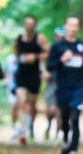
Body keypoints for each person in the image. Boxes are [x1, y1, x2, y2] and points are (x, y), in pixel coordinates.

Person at [45, 16, 83, 154]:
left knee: (75, 117)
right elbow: (50, 67)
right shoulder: (57, 46)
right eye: (70, 25)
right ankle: (66, 142)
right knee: (64, 119)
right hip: (63, 87)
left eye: (76, 25)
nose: (73, 28)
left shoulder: (82, 45)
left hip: (79, 86)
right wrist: (62, 60)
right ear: (65, 27)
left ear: (78, 28)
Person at [13, 16, 48, 145]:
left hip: (34, 75)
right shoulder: (18, 39)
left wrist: (35, 57)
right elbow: (15, 54)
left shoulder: (40, 38)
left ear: (35, 25)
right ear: (24, 25)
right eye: (27, 23)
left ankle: (31, 125)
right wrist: (20, 58)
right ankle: (22, 130)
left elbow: (47, 53)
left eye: (31, 24)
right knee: (21, 101)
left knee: (32, 104)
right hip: (21, 74)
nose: (29, 26)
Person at [43, 26, 64, 140]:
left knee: (58, 109)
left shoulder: (67, 48)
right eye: (58, 35)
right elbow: (43, 61)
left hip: (63, 82)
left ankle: (57, 132)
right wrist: (44, 72)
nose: (59, 38)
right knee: (50, 109)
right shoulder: (51, 49)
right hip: (51, 82)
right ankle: (49, 126)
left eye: (62, 36)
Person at [5, 52, 19, 133]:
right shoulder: (9, 59)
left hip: (25, 85)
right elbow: (6, 71)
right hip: (12, 86)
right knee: (14, 105)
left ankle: (26, 129)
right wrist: (6, 79)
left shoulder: (28, 56)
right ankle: (14, 125)